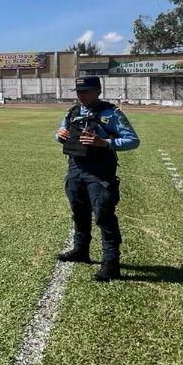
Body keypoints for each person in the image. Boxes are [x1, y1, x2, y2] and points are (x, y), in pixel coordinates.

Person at [55, 76, 141, 282]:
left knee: (103, 214)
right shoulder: (72, 112)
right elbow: (59, 133)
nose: (81, 95)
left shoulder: (111, 114)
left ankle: (111, 264)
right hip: (75, 168)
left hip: (99, 172)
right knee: (78, 211)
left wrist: (104, 143)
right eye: (79, 92)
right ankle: (80, 250)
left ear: (98, 91)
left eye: (86, 91)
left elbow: (133, 141)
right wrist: (59, 135)